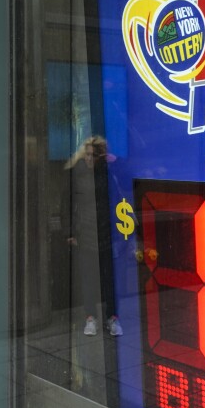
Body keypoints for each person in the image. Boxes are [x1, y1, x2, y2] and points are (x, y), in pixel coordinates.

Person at [65, 136, 122, 337]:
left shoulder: (107, 173)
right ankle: (91, 318)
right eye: (87, 154)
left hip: (105, 233)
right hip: (86, 233)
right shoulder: (79, 174)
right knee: (89, 279)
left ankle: (112, 318)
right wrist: (71, 232)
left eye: (92, 155)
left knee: (108, 279)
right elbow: (70, 204)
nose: (89, 159)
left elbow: (116, 200)